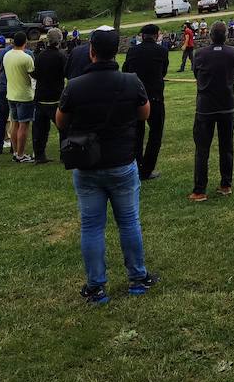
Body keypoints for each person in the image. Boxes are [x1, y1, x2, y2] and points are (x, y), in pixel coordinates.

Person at [55, 28, 158, 304]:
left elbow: (60, 121)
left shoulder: (75, 85)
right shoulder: (131, 81)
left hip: (87, 165)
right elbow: (144, 113)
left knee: (91, 226)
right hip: (122, 162)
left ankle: (96, 287)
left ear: (91, 52)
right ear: (117, 51)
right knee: (129, 222)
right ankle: (138, 278)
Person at [188, 21, 234, 201]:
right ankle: (225, 185)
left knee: (202, 150)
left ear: (210, 36)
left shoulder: (200, 54)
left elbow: (197, 74)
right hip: (225, 107)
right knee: (226, 147)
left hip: (206, 108)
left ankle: (200, 190)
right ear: (226, 36)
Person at [123, 24, 169, 181]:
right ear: (156, 35)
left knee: (137, 135)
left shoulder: (132, 51)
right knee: (155, 134)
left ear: (142, 36)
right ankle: (147, 169)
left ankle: (137, 167)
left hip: (135, 98)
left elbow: (126, 71)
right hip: (155, 98)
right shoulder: (161, 51)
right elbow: (163, 71)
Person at [32, 30, 66, 164]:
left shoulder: (40, 56)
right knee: (63, 127)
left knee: (40, 129)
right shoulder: (61, 56)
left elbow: (35, 73)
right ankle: (65, 154)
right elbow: (66, 72)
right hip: (56, 97)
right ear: (59, 40)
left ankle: (39, 155)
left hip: (41, 96)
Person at [3, 32, 37, 162]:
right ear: (25, 42)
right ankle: (21, 154)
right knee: (24, 125)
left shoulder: (6, 55)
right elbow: (33, 75)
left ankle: (16, 152)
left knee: (14, 123)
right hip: (24, 95)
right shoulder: (26, 57)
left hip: (11, 94)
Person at [0, 36, 13, 156]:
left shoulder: (1, 53)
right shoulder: (7, 53)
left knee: (1, 118)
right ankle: (13, 146)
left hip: (2, 88)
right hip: (10, 88)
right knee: (15, 119)